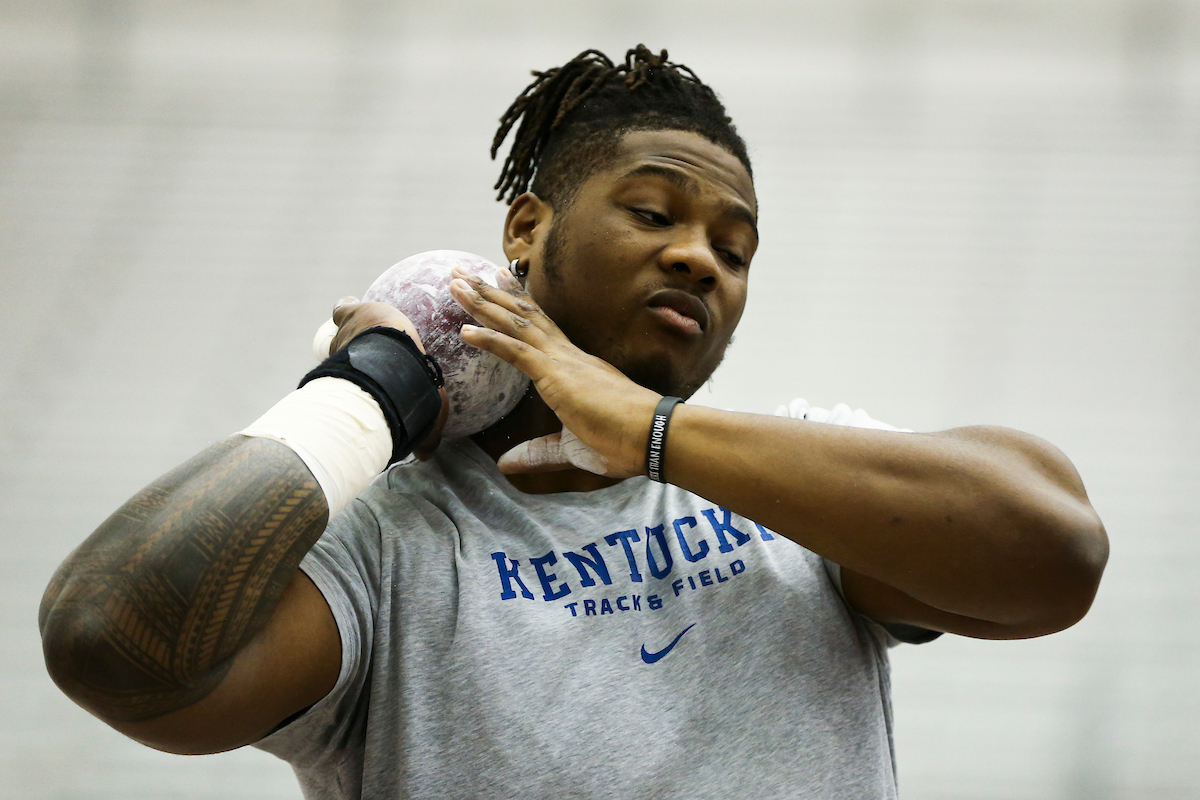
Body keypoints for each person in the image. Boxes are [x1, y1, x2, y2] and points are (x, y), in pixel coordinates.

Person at [38, 46, 1108, 799]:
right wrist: (368, 398)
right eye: (653, 212)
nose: (700, 256)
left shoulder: (797, 491)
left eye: (734, 251)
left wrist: (649, 431)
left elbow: (1059, 546)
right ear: (526, 226)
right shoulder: (390, 541)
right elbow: (111, 639)